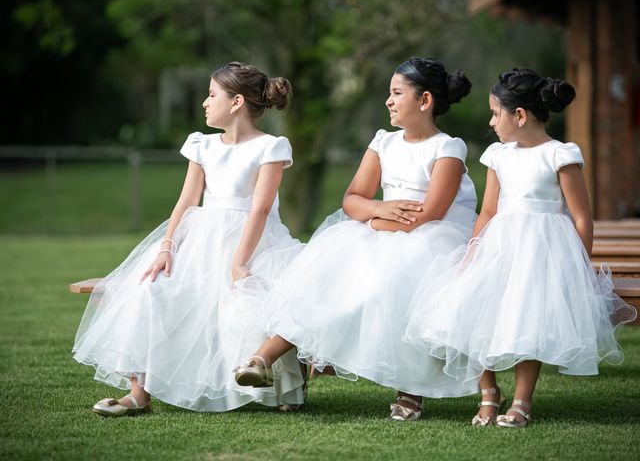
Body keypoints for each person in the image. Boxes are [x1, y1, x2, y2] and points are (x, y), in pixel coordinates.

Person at [234, 57, 479, 421]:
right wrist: (378, 209)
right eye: (389, 93)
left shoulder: (448, 148)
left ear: (424, 101)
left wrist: (377, 222)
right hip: (377, 228)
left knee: (401, 289)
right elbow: (353, 199)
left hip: (429, 240)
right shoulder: (384, 142)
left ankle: (410, 390)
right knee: (324, 279)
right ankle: (263, 357)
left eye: (397, 93)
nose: (388, 101)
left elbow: (431, 213)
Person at [404, 68, 638, 428]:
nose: (491, 121)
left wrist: (578, 264)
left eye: (496, 113)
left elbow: (580, 216)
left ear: (520, 115)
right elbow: (488, 211)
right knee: (472, 310)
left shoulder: (560, 154)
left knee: (530, 320)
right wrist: (473, 251)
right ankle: (487, 393)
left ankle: (522, 401)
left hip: (542, 251)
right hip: (500, 245)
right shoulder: (498, 155)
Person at [73, 61, 306, 416]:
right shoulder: (202, 145)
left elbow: (259, 209)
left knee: (252, 299)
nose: (205, 102)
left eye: (213, 94)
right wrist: (167, 247)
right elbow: (186, 201)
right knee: (150, 289)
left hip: (254, 241)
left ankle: (271, 382)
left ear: (237, 102)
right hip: (201, 238)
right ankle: (139, 392)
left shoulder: (270, 147)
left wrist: (239, 261)